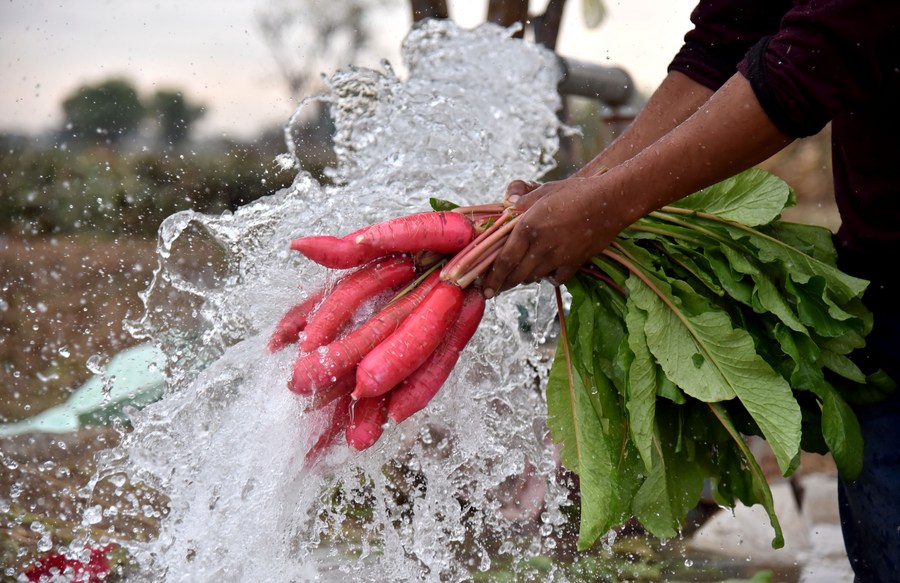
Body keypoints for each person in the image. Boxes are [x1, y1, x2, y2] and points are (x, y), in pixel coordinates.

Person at [483, 1, 900, 580]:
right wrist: (580, 195)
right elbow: (726, 37)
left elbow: (816, 58)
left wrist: (604, 206)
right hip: (881, 282)